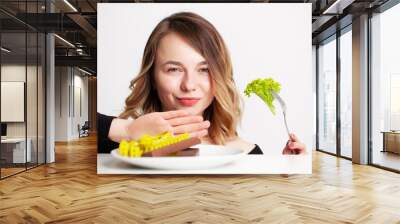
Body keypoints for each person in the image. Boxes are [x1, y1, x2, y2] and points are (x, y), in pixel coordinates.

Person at [97, 12, 306, 155]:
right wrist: (129, 131)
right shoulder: (117, 143)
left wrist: (288, 175)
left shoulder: (248, 154)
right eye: (174, 69)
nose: (189, 85)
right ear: (152, 76)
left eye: (204, 70)